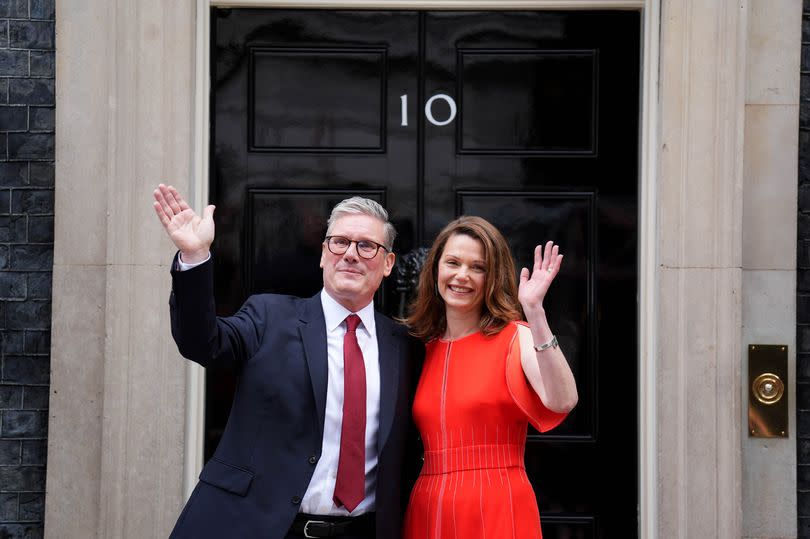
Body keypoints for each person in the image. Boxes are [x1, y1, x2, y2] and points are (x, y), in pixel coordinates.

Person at [152, 184, 421, 539]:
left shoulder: (405, 347)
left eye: (367, 246)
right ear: (324, 254)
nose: (351, 254)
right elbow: (202, 343)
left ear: (388, 264)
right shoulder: (269, 317)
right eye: (339, 242)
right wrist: (195, 257)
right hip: (257, 526)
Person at [401, 216, 578, 539]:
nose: (462, 276)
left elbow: (562, 399)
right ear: (436, 269)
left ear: (492, 276)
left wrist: (535, 312)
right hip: (429, 505)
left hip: (498, 501)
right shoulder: (420, 348)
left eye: (478, 267)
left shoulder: (516, 337)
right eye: (452, 262)